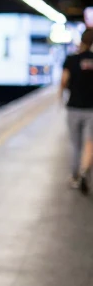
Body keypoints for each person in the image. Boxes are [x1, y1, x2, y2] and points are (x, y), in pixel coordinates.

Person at [61, 28, 93, 194]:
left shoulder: (71, 60)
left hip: (74, 107)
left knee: (76, 144)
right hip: (92, 109)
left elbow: (64, 81)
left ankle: (74, 175)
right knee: (90, 143)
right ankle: (84, 170)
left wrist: (60, 97)